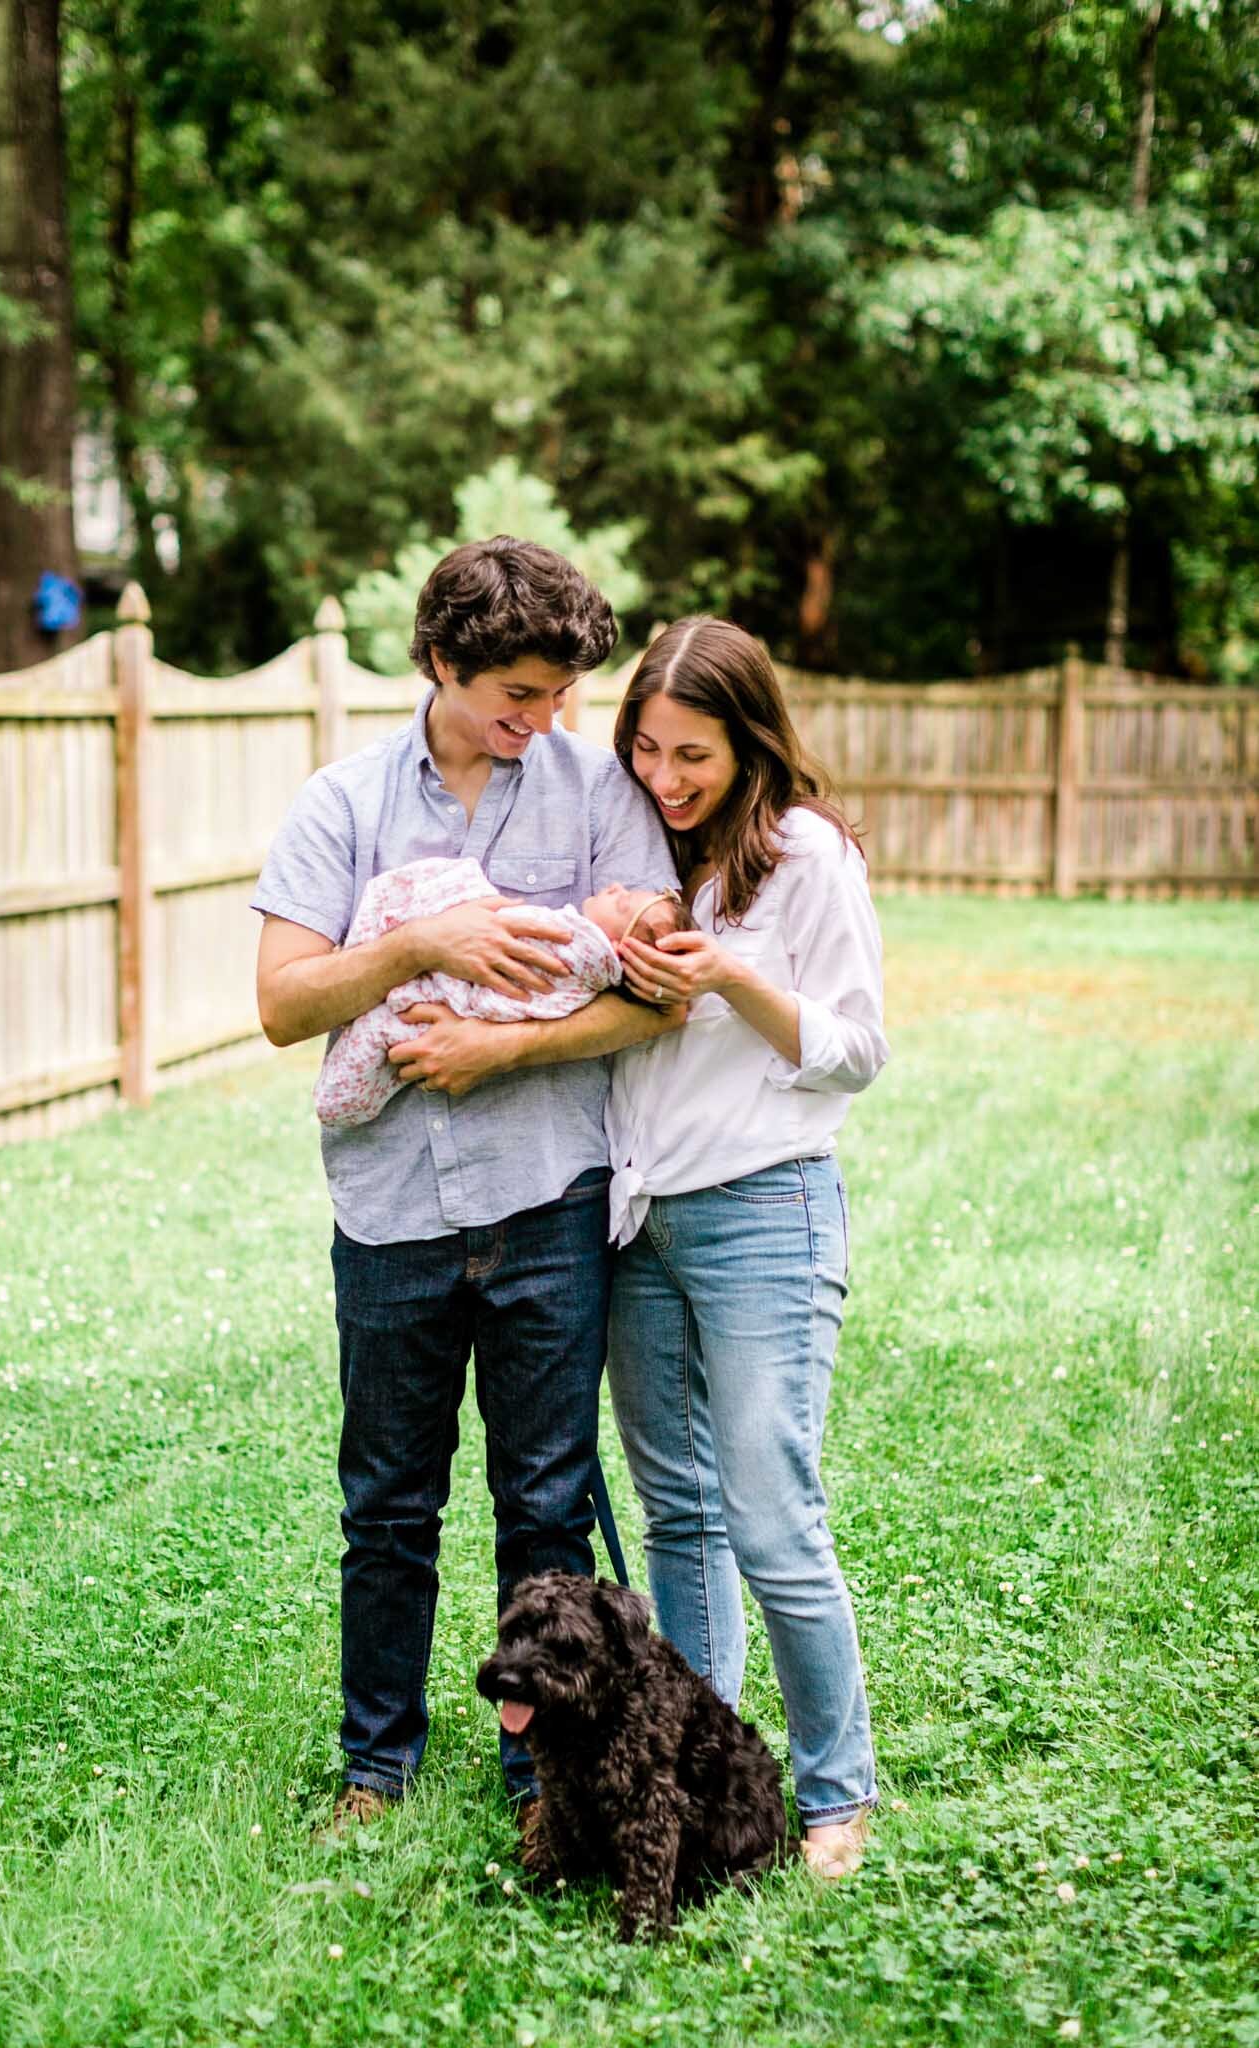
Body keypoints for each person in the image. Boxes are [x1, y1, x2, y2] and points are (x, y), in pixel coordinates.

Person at [252, 537, 679, 1836]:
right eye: (519, 696)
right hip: (388, 1215)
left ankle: (538, 1774)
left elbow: (651, 999)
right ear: (441, 661)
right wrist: (419, 943)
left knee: (543, 1500)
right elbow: (279, 1005)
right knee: (388, 1503)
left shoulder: (595, 793)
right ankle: (375, 1768)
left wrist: (504, 1042)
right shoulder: (340, 805)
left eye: (558, 697)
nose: (543, 722)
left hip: (548, 1198)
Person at [602, 616, 889, 1880]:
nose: (666, 776)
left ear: (752, 741)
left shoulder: (808, 859)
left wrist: (726, 973)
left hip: (766, 1209)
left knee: (774, 1514)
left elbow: (856, 1047)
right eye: (648, 747)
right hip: (638, 1215)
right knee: (681, 1514)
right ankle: (688, 1766)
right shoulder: (632, 846)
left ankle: (835, 1793)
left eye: (694, 755)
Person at [313, 859, 692, 1126]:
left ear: (620, 948)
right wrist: (421, 943)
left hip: (447, 1004)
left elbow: (493, 934)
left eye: (622, 902)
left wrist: (498, 1043)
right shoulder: (590, 974)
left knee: (451, 885)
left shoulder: (574, 944)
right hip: (441, 1004)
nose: (614, 887)